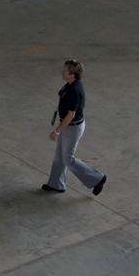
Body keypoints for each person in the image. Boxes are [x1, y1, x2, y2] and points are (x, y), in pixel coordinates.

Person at [42, 58, 108, 196]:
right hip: (68, 125)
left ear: (72, 74)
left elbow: (70, 115)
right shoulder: (71, 84)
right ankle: (56, 184)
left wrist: (57, 130)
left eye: (65, 71)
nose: (62, 72)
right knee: (59, 156)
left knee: (68, 159)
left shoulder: (74, 90)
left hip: (72, 128)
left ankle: (97, 179)